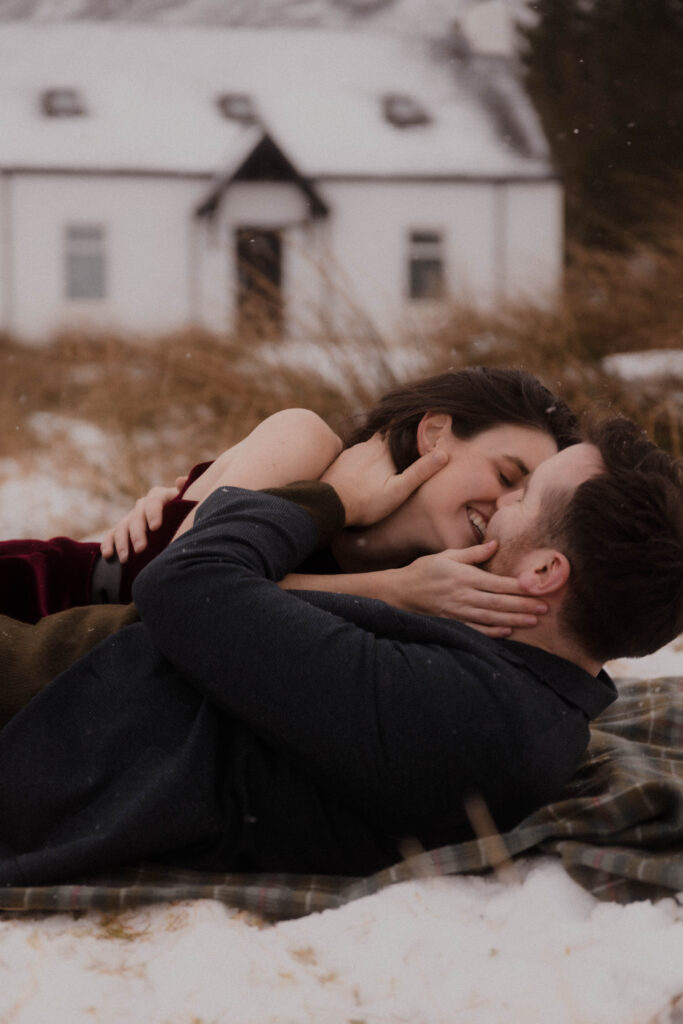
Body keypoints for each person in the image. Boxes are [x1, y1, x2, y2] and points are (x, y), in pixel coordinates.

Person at [0, 412, 681, 886]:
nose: (501, 504)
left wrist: (334, 498)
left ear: (543, 575)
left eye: (524, 495)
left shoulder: (461, 714)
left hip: (31, 716)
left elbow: (184, 582)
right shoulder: (516, 683)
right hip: (60, 686)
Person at [0, 367, 579, 634]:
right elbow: (178, 590)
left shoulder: (438, 579)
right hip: (34, 601)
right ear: (434, 434)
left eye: (526, 497)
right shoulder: (307, 443)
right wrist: (396, 594)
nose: (506, 504)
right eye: (506, 473)